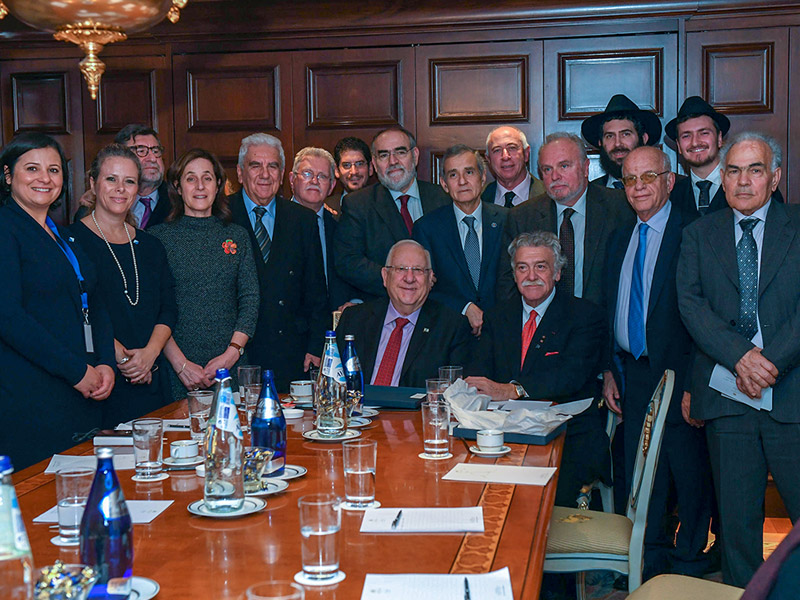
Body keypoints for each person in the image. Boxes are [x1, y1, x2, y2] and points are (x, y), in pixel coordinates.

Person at [677, 132, 800, 587]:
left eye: (755, 169)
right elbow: (690, 305)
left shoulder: (799, 227)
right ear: (722, 179)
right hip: (728, 399)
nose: (744, 181)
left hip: (791, 394)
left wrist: (769, 363)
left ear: (775, 177)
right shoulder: (698, 234)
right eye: (734, 170)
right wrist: (741, 358)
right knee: (737, 529)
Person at [603, 146, 713, 579]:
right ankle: (648, 563)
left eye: (649, 177)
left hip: (680, 371)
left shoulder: (694, 234)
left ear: (670, 181)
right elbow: (608, 307)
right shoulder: (619, 237)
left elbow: (706, 315)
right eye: (630, 179)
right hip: (633, 372)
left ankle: (689, 563)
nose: (639, 187)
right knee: (640, 475)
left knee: (687, 472)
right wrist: (609, 369)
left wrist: (692, 384)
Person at [467, 231, 609, 506]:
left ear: (557, 273)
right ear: (514, 274)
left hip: (568, 438)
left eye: (540, 266)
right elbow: (479, 371)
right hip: (506, 435)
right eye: (522, 267)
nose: (531, 276)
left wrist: (513, 389)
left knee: (536, 505)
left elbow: (571, 376)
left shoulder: (585, 316)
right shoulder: (497, 316)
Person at [0, 133, 115, 469]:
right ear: (8, 176)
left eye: (53, 170)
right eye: (32, 169)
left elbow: (95, 303)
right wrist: (76, 371)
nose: (44, 179)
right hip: (31, 394)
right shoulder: (6, 229)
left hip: (82, 390)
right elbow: (8, 317)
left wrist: (105, 361)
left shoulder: (64, 235)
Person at [69, 144, 177, 426]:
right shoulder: (70, 242)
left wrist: (149, 354)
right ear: (93, 183)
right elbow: (76, 311)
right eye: (111, 179)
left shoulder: (151, 245)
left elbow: (168, 308)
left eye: (129, 181)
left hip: (152, 378)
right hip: (102, 381)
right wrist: (123, 358)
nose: (120, 188)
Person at [150, 148, 260, 399]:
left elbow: (250, 299)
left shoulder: (237, 236)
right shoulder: (157, 239)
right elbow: (154, 308)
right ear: (178, 186)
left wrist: (231, 354)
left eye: (207, 178)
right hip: (176, 368)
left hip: (230, 366)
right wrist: (181, 365)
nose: (200, 186)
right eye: (191, 178)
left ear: (218, 184)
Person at [229, 133, 328, 391]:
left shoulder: (303, 220)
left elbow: (316, 292)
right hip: (235, 354)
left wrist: (316, 346)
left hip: (291, 355)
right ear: (240, 173)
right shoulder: (222, 216)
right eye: (255, 165)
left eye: (272, 166)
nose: (265, 174)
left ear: (282, 173)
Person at [498, 132, 631, 306]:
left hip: (604, 325)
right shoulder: (522, 217)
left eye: (564, 166)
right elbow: (508, 283)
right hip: (543, 327)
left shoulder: (621, 207)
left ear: (585, 168)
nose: (555, 176)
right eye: (547, 169)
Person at [333, 126, 450, 301]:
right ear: (374, 162)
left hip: (440, 307)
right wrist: (397, 279)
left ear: (415, 156)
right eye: (384, 155)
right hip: (384, 307)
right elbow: (348, 261)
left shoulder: (442, 198)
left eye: (400, 152)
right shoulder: (358, 204)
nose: (393, 161)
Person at [336, 240, 472, 388]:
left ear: (430, 278)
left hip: (414, 411)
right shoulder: (353, 319)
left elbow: (457, 395)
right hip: (359, 410)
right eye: (401, 269)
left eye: (418, 270)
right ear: (385, 276)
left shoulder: (453, 327)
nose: (409, 278)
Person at [414, 144, 507, 336]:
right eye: (453, 175)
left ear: (482, 178)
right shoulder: (427, 228)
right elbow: (420, 286)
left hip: (502, 332)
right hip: (449, 334)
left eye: (469, 172)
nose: (463, 181)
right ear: (444, 184)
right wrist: (464, 307)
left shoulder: (508, 220)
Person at [290, 146, 359, 312]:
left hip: (328, 326)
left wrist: (355, 301)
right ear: (292, 179)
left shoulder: (341, 229)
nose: (314, 181)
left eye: (322, 176)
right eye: (307, 174)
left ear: (332, 185)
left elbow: (352, 276)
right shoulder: (273, 224)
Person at [76, 124, 170, 229]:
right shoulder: (90, 208)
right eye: (141, 151)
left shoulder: (179, 201)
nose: (152, 158)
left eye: (156, 151)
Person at [581, 94, 662, 189]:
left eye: (625, 134)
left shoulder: (665, 187)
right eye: (610, 136)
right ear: (600, 142)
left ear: (644, 138)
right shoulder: (589, 193)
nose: (617, 143)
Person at [480, 125, 546, 207]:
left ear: (526, 154)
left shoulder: (548, 195)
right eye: (497, 150)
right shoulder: (478, 198)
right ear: (488, 159)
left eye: (512, 148)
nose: (505, 156)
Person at [327, 136, 373, 214]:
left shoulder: (387, 204)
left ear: (370, 168)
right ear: (337, 171)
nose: (354, 172)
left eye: (360, 164)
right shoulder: (326, 207)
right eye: (347, 165)